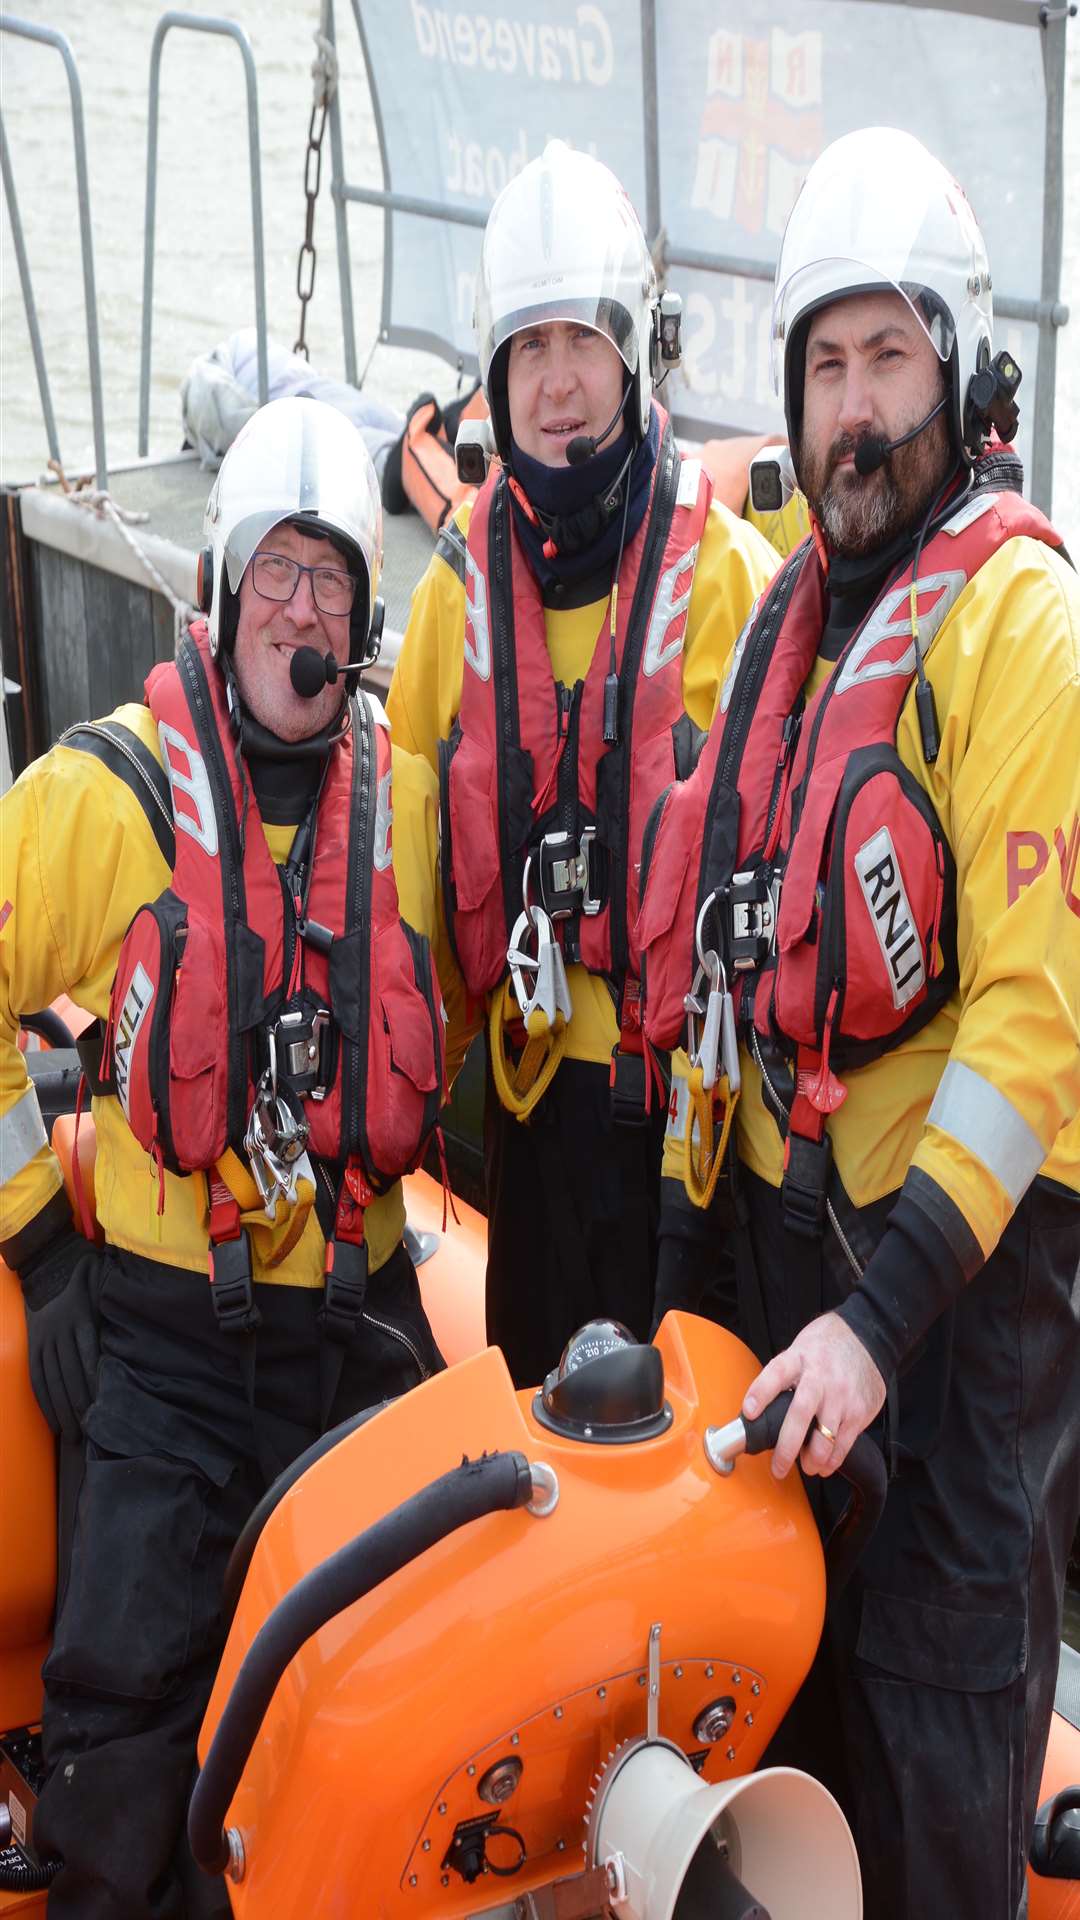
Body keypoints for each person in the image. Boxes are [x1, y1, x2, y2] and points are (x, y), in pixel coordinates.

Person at [638, 126, 1080, 1918]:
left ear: (965, 376)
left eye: (889, 356)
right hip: (786, 1280)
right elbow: (729, 991)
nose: (852, 407)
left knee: (935, 1744)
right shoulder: (791, 628)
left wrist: (882, 1326)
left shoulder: (1021, 627)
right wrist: (677, 1279)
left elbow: (1038, 1030)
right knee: (796, 1722)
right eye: (825, 364)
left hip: (954, 1321)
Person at [0, 395, 469, 1918]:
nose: (302, 608)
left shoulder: (406, 806)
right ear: (217, 590)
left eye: (333, 580)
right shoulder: (100, 796)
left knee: (380, 1715)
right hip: (159, 1339)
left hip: (354, 1325)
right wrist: (41, 1245)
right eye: (276, 571)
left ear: (366, 616)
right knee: (121, 1728)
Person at [387, 139, 778, 1387]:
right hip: (527, 1115)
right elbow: (398, 878)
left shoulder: (730, 583)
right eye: (528, 350)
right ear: (494, 376)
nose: (556, 385)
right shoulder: (455, 599)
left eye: (582, 345)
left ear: (635, 353)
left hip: (689, 1128)